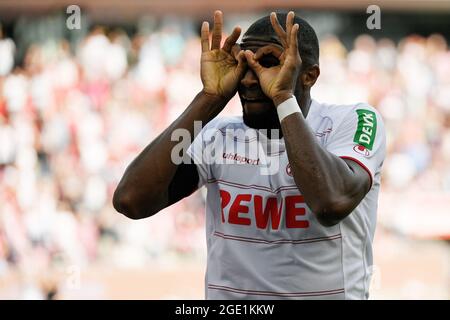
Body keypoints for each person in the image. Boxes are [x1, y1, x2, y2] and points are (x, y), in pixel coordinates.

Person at [113, 10, 386, 300]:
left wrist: (282, 97)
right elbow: (131, 200)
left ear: (309, 75)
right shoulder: (218, 134)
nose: (250, 80)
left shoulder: (353, 120)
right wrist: (209, 99)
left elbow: (330, 203)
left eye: (269, 64)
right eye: (244, 64)